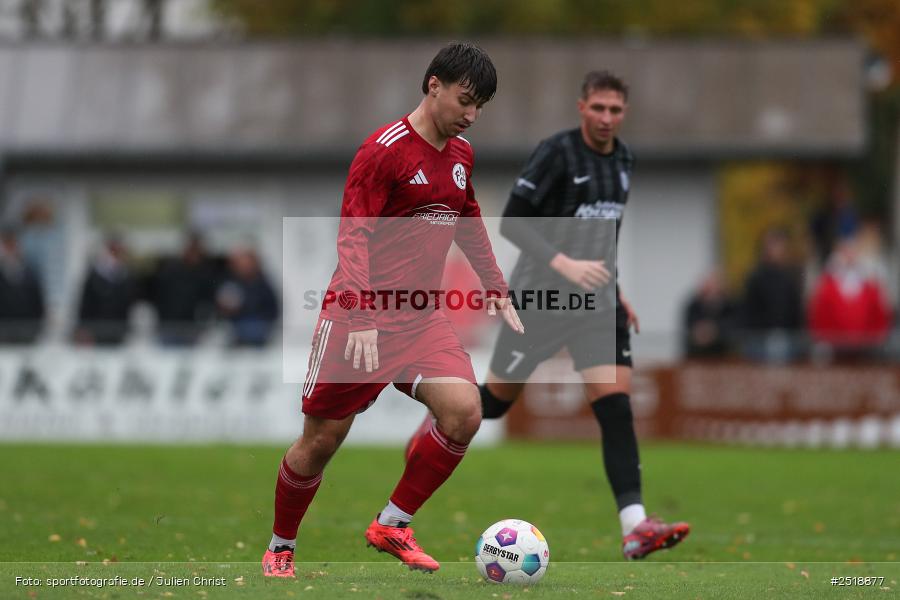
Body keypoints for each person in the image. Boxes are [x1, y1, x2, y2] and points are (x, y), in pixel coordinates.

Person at [261, 43, 523, 578]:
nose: (471, 116)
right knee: (321, 442)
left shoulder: (461, 155)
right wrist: (359, 315)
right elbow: (353, 236)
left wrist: (494, 283)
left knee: (465, 412)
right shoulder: (382, 151)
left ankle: (393, 523)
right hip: (358, 320)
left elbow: (468, 217)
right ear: (433, 85)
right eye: (465, 100)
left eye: (481, 107)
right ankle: (280, 546)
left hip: (420, 319)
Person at [406, 70, 689, 561]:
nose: (606, 118)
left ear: (624, 113)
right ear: (582, 107)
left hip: (597, 306)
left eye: (615, 110)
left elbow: (604, 233)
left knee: (615, 407)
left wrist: (615, 290)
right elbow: (514, 221)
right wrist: (565, 266)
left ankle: (635, 526)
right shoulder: (556, 153)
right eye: (598, 108)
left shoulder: (624, 159)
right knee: (492, 404)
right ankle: (441, 415)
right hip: (539, 298)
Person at [808, 236, 892, 360]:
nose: (849, 256)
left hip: (867, 348)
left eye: (853, 250)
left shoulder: (871, 285)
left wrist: (878, 339)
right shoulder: (827, 284)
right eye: (846, 251)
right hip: (835, 348)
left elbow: (880, 313)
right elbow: (819, 313)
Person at [741, 228, 804, 362]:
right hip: (760, 341)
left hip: (786, 339)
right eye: (773, 245)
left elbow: (795, 310)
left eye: (780, 245)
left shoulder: (789, 277)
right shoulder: (755, 277)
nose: (778, 250)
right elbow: (748, 311)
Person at [74, 236, 138, 346]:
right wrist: (83, 329)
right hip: (96, 330)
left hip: (118, 331)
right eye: (114, 251)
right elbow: (85, 304)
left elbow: (128, 305)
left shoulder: (126, 277)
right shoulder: (94, 276)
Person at [216, 246, 279, 347]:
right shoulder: (230, 282)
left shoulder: (263, 284)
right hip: (235, 336)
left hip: (259, 336)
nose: (245, 266)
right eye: (242, 263)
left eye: (247, 263)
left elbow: (273, 309)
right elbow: (222, 310)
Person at [0, 226, 45, 344]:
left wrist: (35, 328)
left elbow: (38, 302)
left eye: (13, 244)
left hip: (26, 331)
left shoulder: (30, 271)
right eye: (7, 244)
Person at [683, 269, 738, 358]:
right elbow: (689, 323)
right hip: (697, 353)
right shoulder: (694, 304)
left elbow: (735, 323)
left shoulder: (730, 304)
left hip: (723, 353)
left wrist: (714, 329)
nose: (710, 286)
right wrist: (701, 331)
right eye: (707, 283)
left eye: (713, 283)